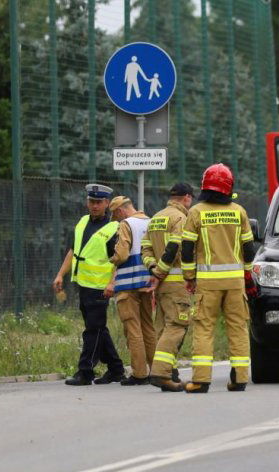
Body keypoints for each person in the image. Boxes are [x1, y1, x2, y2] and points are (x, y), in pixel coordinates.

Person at [180, 164, 256, 393]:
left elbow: (186, 248)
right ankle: (240, 378)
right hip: (235, 283)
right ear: (228, 187)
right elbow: (249, 248)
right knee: (238, 328)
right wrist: (247, 273)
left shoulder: (196, 212)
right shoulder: (239, 211)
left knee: (204, 329)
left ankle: (201, 380)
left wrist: (189, 276)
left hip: (208, 283)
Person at [53, 184, 126, 386]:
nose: (94, 206)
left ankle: (85, 371)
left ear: (107, 204)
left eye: (98, 202)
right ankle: (116, 369)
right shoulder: (82, 222)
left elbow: (118, 260)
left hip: (100, 287)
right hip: (83, 284)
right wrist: (60, 274)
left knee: (92, 330)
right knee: (98, 329)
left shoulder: (114, 228)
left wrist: (112, 283)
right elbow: (72, 251)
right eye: (91, 201)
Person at [142, 183, 194, 392]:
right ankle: (161, 373)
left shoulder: (155, 218)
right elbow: (174, 247)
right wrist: (161, 271)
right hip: (175, 283)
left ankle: (170, 372)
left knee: (162, 328)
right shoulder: (181, 218)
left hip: (161, 285)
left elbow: (144, 248)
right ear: (187, 198)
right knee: (177, 325)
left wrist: (153, 269)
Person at [108, 196, 156, 386]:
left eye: (116, 216)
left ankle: (139, 373)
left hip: (128, 285)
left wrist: (111, 259)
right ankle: (156, 369)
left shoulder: (126, 224)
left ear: (120, 211)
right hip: (147, 282)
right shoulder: (151, 221)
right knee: (148, 328)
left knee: (133, 329)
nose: (117, 220)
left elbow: (121, 254)